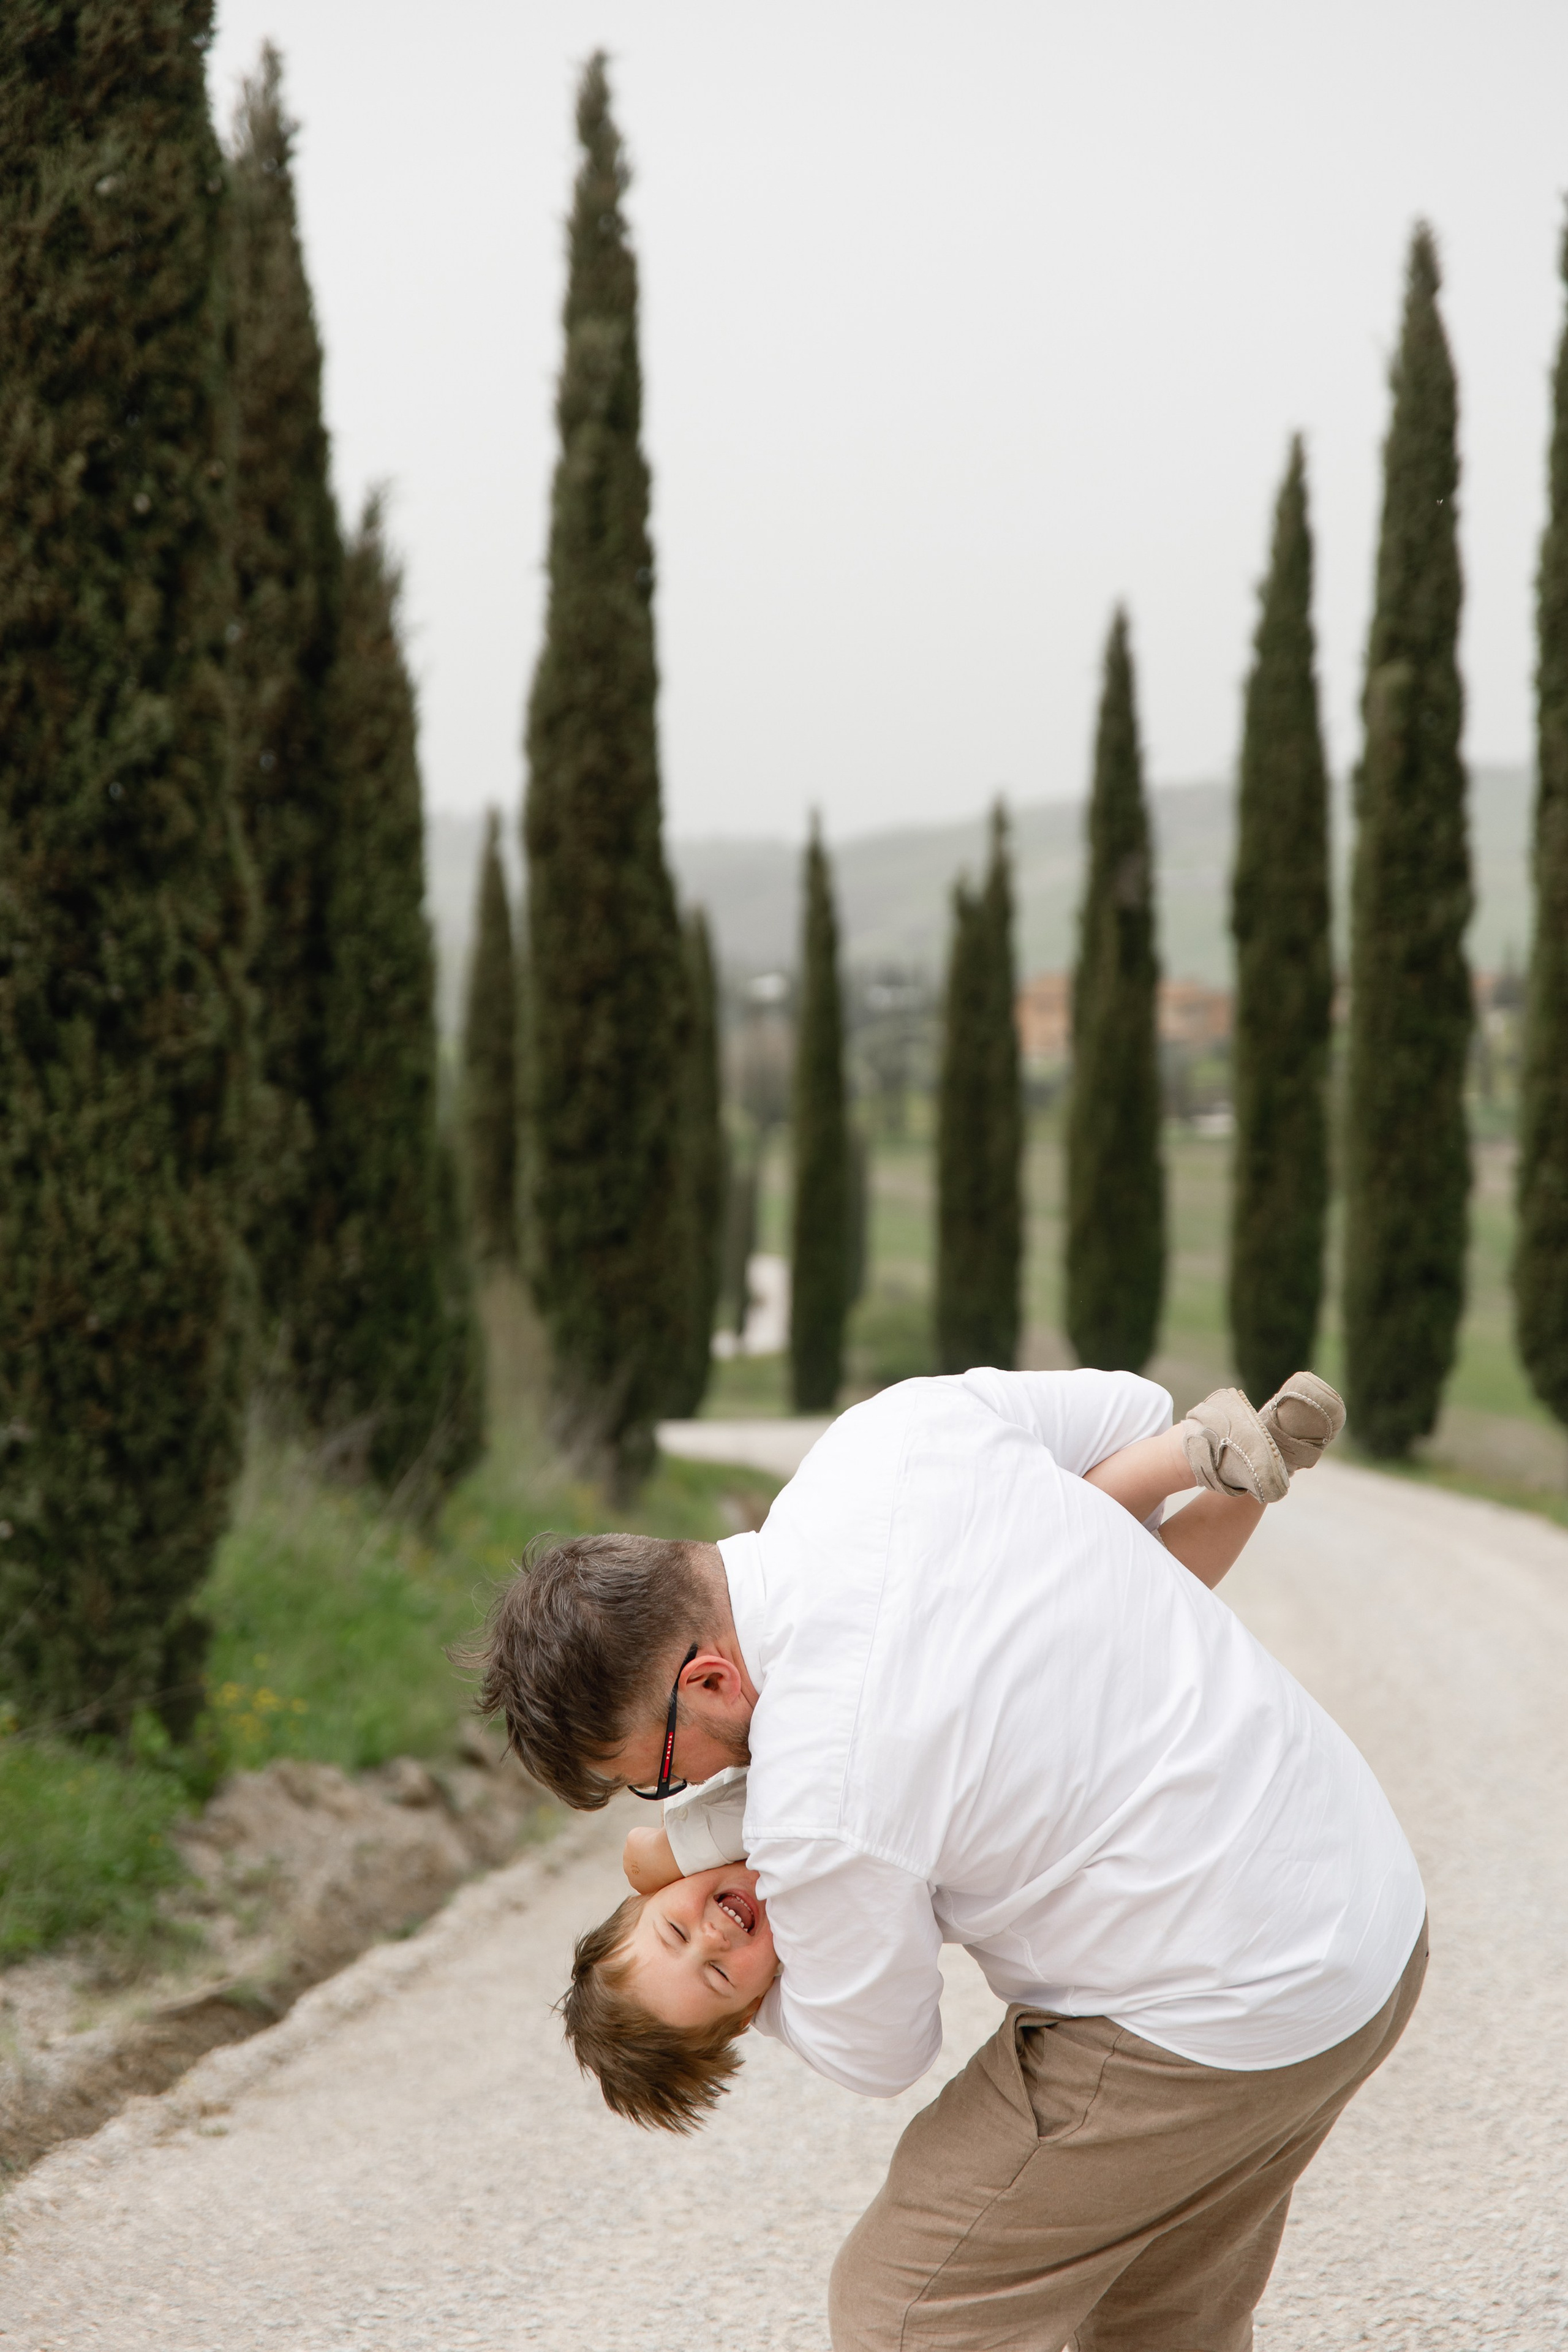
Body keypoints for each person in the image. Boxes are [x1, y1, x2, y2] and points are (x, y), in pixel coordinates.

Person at [477, 1368, 1426, 2352]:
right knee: (1156, 2306)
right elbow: (1137, 1409)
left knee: (905, 2312)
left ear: (711, 1681)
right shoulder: (887, 1434)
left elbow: (879, 2051)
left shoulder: (818, 1810)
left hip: (1229, 1997)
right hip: (1372, 1909)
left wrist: (759, 1995)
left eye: (668, 1773)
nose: (701, 1786)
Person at [558, 1393, 1302, 2120]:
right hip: (1049, 1667)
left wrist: (741, 1968)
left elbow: (877, 2056)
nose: (713, 1937)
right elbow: (649, 1860)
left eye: (676, 1933)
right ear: (751, 2005)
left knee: (1108, 1566)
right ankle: (1234, 1463)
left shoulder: (773, 1827)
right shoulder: (874, 1442)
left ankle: (1212, 1461)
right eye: (720, 1974)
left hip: (1064, 1720)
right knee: (1095, 1555)